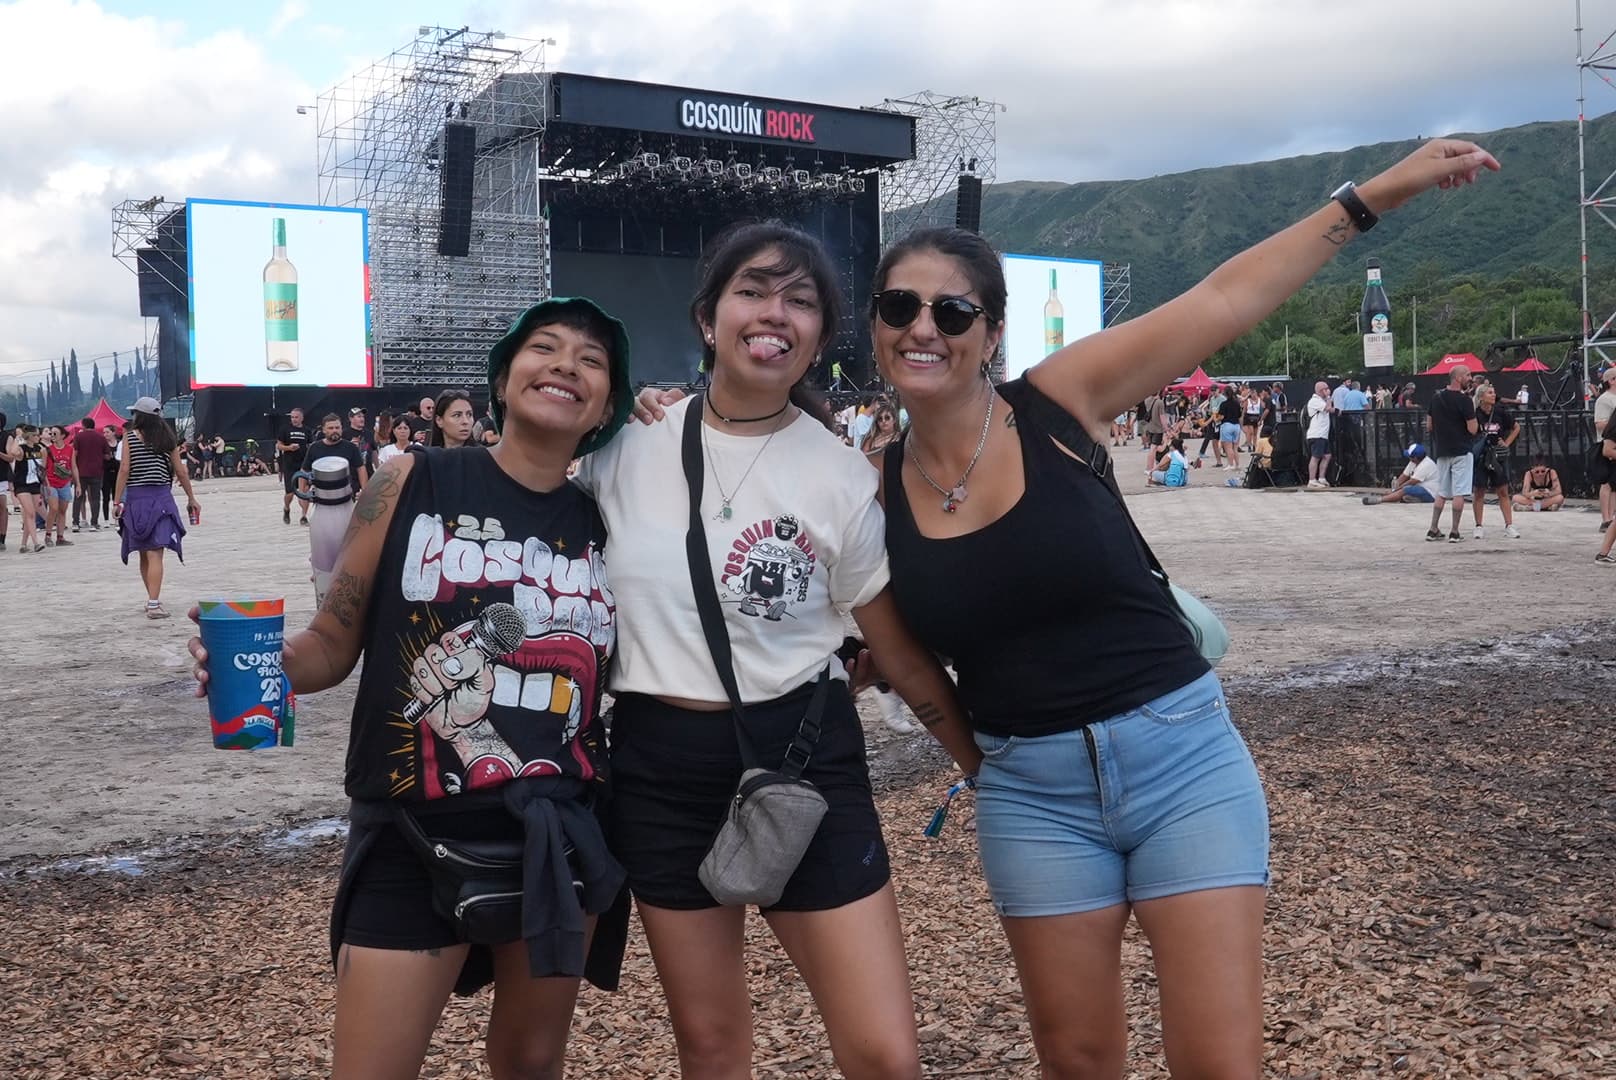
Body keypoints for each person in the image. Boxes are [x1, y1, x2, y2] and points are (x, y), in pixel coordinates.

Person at [851, 138, 1495, 1078]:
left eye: (953, 309)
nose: (924, 327)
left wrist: (1380, 194)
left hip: (1180, 756)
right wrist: (977, 764)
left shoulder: (1058, 401)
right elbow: (905, 665)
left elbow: (1224, 301)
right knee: (1077, 1060)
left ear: (992, 333)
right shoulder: (871, 496)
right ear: (873, 324)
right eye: (899, 306)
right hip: (1031, 794)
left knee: (1218, 1061)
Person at [187, 297, 632, 1078]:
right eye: (545, 348)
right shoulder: (409, 481)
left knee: (532, 1064)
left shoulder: (609, 521)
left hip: (557, 829)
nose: (566, 365)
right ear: (502, 381)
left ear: (604, 406)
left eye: (591, 361)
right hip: (411, 827)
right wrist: (271, 666)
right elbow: (333, 639)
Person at [584, 222, 979, 1080]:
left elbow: (900, 656)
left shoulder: (840, 475)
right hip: (657, 766)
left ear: (819, 338)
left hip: (803, 756)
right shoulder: (623, 448)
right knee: (713, 1047)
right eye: (754, 291)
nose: (775, 314)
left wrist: (979, 760)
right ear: (706, 318)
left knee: (883, 1052)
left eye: (800, 300)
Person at [114, 397, 199, 618]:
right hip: (161, 498)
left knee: (144, 552)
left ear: (139, 416)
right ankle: (153, 603)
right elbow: (180, 471)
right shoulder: (167, 437)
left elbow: (124, 469)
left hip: (136, 499)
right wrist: (191, 497)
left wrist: (116, 501)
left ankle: (152, 600)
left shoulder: (129, 437)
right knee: (155, 553)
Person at [304, 414, 370, 605]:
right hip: (322, 504)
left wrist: (364, 491)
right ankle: (322, 582)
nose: (335, 431)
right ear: (323, 429)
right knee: (321, 544)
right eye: (331, 428)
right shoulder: (315, 448)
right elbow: (305, 471)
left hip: (345, 503)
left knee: (349, 542)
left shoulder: (350, 448)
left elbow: (360, 468)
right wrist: (303, 495)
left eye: (337, 428)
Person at [1425, 365, 1479, 543]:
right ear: (1458, 378)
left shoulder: (1435, 397)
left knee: (1441, 492)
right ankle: (1454, 531)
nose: (1470, 378)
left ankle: (1433, 528)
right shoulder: (1464, 401)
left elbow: (1429, 426)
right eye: (1468, 375)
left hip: (1442, 450)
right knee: (1459, 492)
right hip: (1462, 450)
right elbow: (1473, 429)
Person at [1471, 383, 1520, 539]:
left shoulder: (1500, 412)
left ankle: (1509, 525)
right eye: (1490, 393)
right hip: (1482, 455)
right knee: (1479, 491)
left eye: (1494, 392)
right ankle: (1478, 525)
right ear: (1481, 397)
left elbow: (1516, 427)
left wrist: (1506, 443)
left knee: (1503, 490)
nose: (1493, 395)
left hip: (1497, 455)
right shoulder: (1475, 413)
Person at [1362, 443, 1437, 504]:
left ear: (1415, 458)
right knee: (1403, 494)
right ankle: (1414, 499)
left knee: (1405, 489)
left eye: (1410, 456)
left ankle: (1379, 500)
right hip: (1419, 489)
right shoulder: (1413, 462)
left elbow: (1411, 482)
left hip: (1430, 493)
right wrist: (1394, 488)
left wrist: (1395, 491)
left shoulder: (1426, 465)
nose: (1408, 458)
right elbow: (1404, 476)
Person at [42, 425, 79, 547]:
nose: (52, 436)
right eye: (51, 434)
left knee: (62, 511)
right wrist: (46, 484)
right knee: (53, 508)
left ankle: (60, 537)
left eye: (55, 434)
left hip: (65, 483)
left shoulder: (70, 450)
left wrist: (78, 484)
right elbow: (43, 469)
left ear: (63, 435)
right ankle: (48, 535)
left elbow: (73, 466)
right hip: (51, 483)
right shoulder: (47, 450)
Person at [10, 424, 44, 553]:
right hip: (22, 484)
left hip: (35, 483)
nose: (37, 437)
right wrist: (17, 438)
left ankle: (23, 544)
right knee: (30, 513)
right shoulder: (22, 449)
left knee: (29, 516)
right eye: (35, 435)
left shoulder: (38, 448)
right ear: (29, 436)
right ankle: (36, 543)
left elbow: (41, 467)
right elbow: (13, 453)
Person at [276, 407, 311, 525]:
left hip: (303, 464)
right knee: (290, 493)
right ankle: (286, 508)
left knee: (304, 491)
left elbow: (310, 446)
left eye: (296, 417)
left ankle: (304, 516)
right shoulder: (285, 429)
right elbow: (279, 446)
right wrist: (289, 448)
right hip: (289, 464)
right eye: (292, 417)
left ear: (302, 417)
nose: (294, 419)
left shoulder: (307, 430)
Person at [72, 416, 106, 532]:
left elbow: (74, 453)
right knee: (95, 498)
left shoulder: (79, 437)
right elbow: (107, 455)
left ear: (84, 425)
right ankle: (94, 523)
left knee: (78, 497)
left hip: (81, 472)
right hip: (97, 471)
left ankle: (75, 522)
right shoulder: (101, 438)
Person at [1594, 368, 1616, 532]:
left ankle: (1612, 517)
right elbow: (1599, 423)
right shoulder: (1605, 399)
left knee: (1614, 484)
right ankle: (1606, 519)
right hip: (1606, 443)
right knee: (1606, 482)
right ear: (1611, 380)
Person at [1305, 380, 1334, 488]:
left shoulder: (1321, 400)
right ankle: (1312, 480)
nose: (1328, 390)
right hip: (1316, 434)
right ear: (1320, 390)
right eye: (1325, 389)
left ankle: (1321, 478)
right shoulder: (1315, 401)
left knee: (1327, 455)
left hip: (1323, 434)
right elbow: (1328, 408)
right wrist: (1328, 397)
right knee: (1316, 456)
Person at [1216, 387, 1242, 471]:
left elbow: (1221, 416)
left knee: (1228, 448)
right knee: (1235, 447)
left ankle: (1230, 464)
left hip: (1227, 425)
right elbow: (1239, 415)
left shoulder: (1224, 404)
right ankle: (1237, 464)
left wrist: (1216, 418)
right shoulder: (1237, 403)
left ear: (1225, 394)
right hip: (1236, 426)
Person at [100, 424, 121, 522]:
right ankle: (106, 519)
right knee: (105, 497)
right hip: (106, 472)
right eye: (104, 432)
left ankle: (116, 517)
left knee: (116, 496)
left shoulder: (119, 443)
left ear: (113, 432)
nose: (105, 434)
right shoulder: (103, 444)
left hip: (117, 472)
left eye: (107, 432)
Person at [346, 407, 375, 475]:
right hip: (352, 475)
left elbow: (374, 451)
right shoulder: (344, 434)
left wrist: (377, 468)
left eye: (363, 417)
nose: (362, 419)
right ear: (351, 418)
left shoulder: (369, 433)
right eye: (359, 416)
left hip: (369, 473)